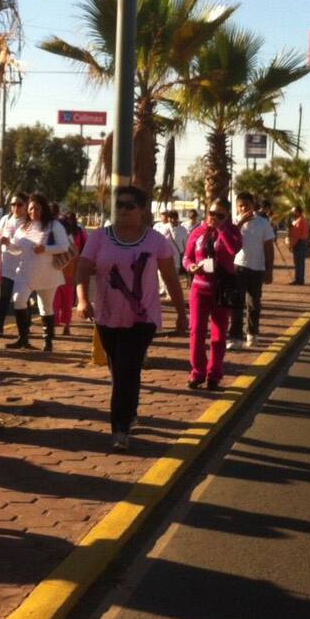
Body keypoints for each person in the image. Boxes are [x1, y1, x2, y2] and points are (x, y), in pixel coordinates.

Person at [77, 187, 187, 449]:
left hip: (142, 318)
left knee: (127, 368)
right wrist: (82, 300)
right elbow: (82, 270)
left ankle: (120, 430)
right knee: (120, 370)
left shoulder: (156, 241)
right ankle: (131, 411)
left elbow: (171, 278)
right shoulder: (99, 237)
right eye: (120, 206)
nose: (124, 211)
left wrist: (182, 314)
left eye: (130, 206)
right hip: (107, 316)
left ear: (142, 211)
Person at [182, 199, 243, 390]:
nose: (214, 218)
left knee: (219, 335)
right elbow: (187, 256)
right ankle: (197, 372)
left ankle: (214, 373)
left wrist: (222, 229)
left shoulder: (232, 232)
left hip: (221, 290)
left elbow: (234, 250)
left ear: (227, 216)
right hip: (199, 289)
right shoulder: (198, 232)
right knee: (196, 331)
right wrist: (191, 266)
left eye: (220, 215)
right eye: (211, 213)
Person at [2, 194, 70, 351]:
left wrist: (45, 249)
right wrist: (9, 244)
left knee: (46, 307)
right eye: (31, 208)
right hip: (25, 272)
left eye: (36, 208)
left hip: (48, 273)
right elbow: (17, 250)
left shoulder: (54, 226)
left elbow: (64, 246)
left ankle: (48, 342)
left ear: (43, 209)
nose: (33, 211)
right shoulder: (23, 228)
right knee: (18, 299)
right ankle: (23, 339)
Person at [227, 192, 276, 349]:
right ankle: (235, 337)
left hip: (257, 268)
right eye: (240, 206)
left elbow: (269, 248)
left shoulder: (263, 224)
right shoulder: (233, 223)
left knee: (254, 304)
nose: (243, 208)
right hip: (238, 267)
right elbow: (227, 239)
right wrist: (241, 222)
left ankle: (252, 334)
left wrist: (269, 270)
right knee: (236, 304)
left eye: (246, 205)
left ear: (253, 206)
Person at [0, 193, 28, 337]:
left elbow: (23, 248)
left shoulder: (28, 224)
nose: (15, 207)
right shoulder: (5, 220)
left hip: (22, 265)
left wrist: (9, 244)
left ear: (25, 206)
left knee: (21, 299)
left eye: (19, 204)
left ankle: (24, 330)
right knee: (4, 297)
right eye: (13, 204)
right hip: (6, 265)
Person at [53, 211, 87, 336]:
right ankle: (62, 324)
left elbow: (76, 257)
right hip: (65, 276)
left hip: (64, 276)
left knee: (59, 302)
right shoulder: (69, 239)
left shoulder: (65, 239)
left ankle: (59, 324)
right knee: (64, 302)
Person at [288, 206, 310, 285]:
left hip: (299, 242)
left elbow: (296, 234)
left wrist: (292, 244)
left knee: (299, 262)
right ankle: (298, 278)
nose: (293, 213)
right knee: (298, 262)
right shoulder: (298, 220)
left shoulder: (301, 221)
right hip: (300, 242)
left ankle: (299, 279)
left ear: (298, 212)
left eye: (294, 211)